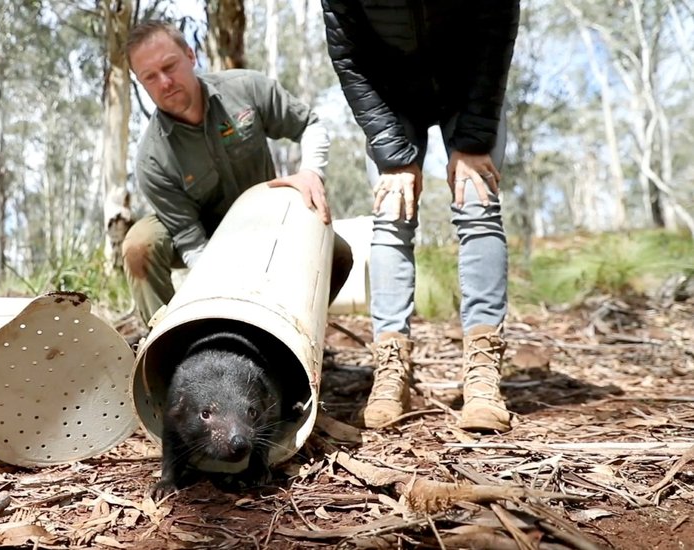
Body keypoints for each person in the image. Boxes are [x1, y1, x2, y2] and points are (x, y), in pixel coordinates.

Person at [321, 1, 520, 432]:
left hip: (469, 86)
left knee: (477, 200)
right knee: (391, 212)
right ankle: (392, 372)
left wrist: (473, 138)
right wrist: (392, 156)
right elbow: (348, 56)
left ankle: (483, 376)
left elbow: (497, 24)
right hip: (392, 98)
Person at [123, 20, 353, 330]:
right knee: (140, 244)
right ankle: (170, 346)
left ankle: (290, 337)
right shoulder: (152, 158)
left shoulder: (246, 89)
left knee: (337, 253)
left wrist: (311, 171)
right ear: (140, 81)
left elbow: (309, 125)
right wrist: (224, 293)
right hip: (204, 240)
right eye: (150, 77)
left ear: (191, 56)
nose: (164, 82)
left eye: (170, 66)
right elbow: (190, 241)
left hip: (267, 223)